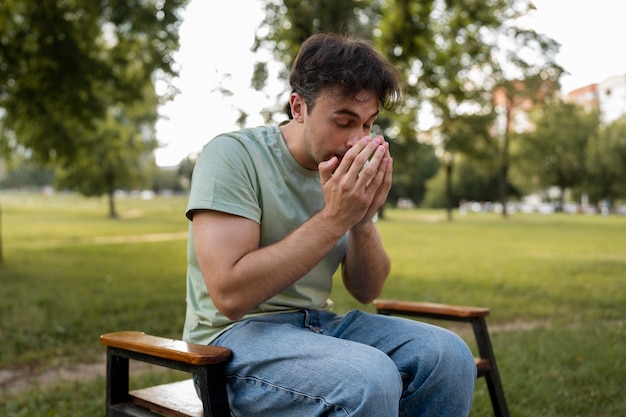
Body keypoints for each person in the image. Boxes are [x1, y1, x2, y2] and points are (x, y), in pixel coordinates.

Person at [183, 33, 476, 416]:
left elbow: (367, 289)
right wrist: (335, 216)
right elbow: (231, 295)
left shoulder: (341, 173)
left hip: (320, 327)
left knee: (447, 356)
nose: (357, 141)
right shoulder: (233, 156)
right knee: (367, 378)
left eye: (368, 125)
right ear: (298, 107)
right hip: (231, 342)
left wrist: (362, 218)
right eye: (344, 121)